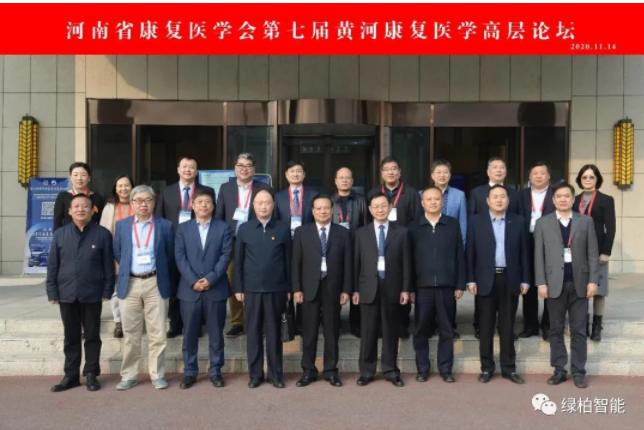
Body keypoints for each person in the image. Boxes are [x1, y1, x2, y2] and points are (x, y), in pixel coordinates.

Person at [46, 193, 115, 392]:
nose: (80, 209)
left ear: (92, 210)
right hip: (67, 293)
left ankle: (91, 373)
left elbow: (108, 266)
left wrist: (107, 289)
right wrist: (52, 291)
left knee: (92, 336)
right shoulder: (60, 234)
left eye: (85, 206)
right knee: (71, 337)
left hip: (92, 293)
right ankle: (71, 375)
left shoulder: (102, 234)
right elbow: (53, 265)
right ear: (69, 211)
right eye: (76, 206)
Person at [534, 182, 600, 389]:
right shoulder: (543, 223)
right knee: (556, 329)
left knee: (579, 330)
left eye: (567, 196)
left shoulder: (586, 221)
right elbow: (538, 256)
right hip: (554, 284)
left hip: (580, 283)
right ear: (553, 200)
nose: (563, 199)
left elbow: (593, 254)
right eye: (559, 196)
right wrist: (541, 282)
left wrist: (593, 281)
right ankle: (559, 370)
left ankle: (579, 371)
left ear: (573, 200)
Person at [113, 185, 176, 391]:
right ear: (131, 203)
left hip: (155, 282)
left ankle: (157, 374)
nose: (143, 204)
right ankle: (129, 375)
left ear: (154, 202)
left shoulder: (165, 226)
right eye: (138, 200)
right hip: (130, 283)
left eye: (147, 200)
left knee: (157, 333)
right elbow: (118, 252)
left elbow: (169, 254)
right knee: (131, 333)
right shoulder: (122, 226)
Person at [466, 185, 530, 385]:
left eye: (503, 196)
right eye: (495, 197)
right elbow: (470, 252)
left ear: (508, 200)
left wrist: (525, 279)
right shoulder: (476, 221)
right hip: (485, 279)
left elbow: (525, 253)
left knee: (507, 326)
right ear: (487, 201)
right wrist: (470, 279)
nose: (499, 200)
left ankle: (509, 368)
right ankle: (486, 368)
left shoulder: (518, 221)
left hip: (510, 279)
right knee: (485, 327)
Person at [175, 187, 233, 389]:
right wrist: (193, 281)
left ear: (213, 205)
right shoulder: (183, 229)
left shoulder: (223, 228)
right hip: (189, 290)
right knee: (189, 334)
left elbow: (225, 256)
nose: (204, 205)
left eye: (208, 202)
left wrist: (210, 279)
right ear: (192, 205)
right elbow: (180, 257)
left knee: (216, 334)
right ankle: (190, 371)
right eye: (199, 202)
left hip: (215, 289)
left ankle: (215, 371)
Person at [292, 195, 352, 388]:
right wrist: (296, 289)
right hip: (309, 288)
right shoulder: (302, 232)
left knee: (331, 332)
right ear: (312, 211)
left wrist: (346, 289)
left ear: (332, 210)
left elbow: (348, 263)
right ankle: (308, 371)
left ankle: (331, 371)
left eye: (326, 208)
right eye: (318, 208)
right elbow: (296, 262)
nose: (323, 211)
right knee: (309, 333)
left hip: (333, 287)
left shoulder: (343, 233)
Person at [235, 189, 292, 389]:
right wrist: (239, 288)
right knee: (253, 332)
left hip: (276, 289)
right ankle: (255, 374)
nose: (263, 206)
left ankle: (275, 374)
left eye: (267, 202)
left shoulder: (282, 228)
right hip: (251, 289)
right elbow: (238, 261)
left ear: (273, 205)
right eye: (259, 203)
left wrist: (289, 287)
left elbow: (288, 260)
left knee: (274, 333)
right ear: (253, 206)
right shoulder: (244, 229)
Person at [354, 192, 412, 388]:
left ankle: (391, 370)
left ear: (390, 207)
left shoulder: (402, 232)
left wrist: (405, 289)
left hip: (393, 286)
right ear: (370, 210)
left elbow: (407, 264)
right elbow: (356, 263)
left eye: (383, 206)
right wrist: (355, 290)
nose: (380, 210)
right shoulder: (361, 233)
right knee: (368, 332)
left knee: (390, 331)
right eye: (376, 206)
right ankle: (366, 371)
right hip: (367, 287)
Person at [408, 187, 465, 383]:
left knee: (447, 329)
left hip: (446, 286)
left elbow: (459, 255)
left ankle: (445, 369)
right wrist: (410, 287)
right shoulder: (414, 227)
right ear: (422, 203)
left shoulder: (452, 224)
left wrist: (460, 284)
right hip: (422, 287)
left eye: (436, 199)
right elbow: (409, 260)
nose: (433, 202)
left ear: (443, 202)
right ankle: (422, 368)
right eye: (429, 199)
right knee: (421, 330)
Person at [156, 156, 214, 339]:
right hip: (173, 246)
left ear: (197, 171)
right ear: (178, 170)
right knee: (174, 285)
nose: (188, 170)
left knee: (198, 284)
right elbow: (160, 219)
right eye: (184, 167)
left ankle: (197, 324)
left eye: (191, 167)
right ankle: (175, 324)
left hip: (199, 245)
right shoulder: (166, 191)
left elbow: (213, 216)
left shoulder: (206, 191)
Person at [215, 153, 271, 338]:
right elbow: (220, 215)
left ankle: (260, 320)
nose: (244, 169)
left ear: (254, 169)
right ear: (235, 168)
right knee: (233, 279)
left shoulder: (264, 188)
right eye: (240, 165)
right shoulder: (226, 188)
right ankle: (238, 322)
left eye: (248, 165)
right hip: (232, 240)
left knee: (259, 279)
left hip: (257, 240)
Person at [467, 157, 520, 340]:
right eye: (494, 167)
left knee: (507, 299)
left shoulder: (513, 193)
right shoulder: (477, 193)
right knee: (483, 295)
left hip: (506, 249)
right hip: (483, 250)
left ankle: (506, 329)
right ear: (488, 172)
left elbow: (517, 219)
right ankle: (480, 326)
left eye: (502, 167)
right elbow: (471, 219)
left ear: (506, 172)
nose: (498, 170)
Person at [367, 156, 419, 339]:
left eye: (394, 168)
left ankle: (402, 324)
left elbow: (416, 221)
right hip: (379, 243)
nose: (390, 172)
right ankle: (380, 326)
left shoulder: (410, 193)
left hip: (402, 242)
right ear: (381, 173)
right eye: (387, 169)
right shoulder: (374, 193)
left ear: (399, 172)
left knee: (401, 282)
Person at [274, 160, 319, 333]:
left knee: (305, 280)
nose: (295, 174)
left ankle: (303, 321)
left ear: (304, 174)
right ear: (286, 175)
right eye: (291, 171)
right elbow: (276, 222)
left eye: (298, 171)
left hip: (307, 244)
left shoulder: (314, 195)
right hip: (285, 244)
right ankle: (288, 321)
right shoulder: (278, 197)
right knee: (286, 280)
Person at [573, 164, 616, 342]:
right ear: (580, 180)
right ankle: (583, 324)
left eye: (592, 177)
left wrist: (606, 252)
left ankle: (597, 326)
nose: (588, 180)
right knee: (581, 288)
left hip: (598, 251)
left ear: (597, 179)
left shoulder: (606, 199)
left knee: (599, 289)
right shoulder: (574, 199)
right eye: (584, 177)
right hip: (578, 251)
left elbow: (611, 228)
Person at [425, 159, 467, 339]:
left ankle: (450, 325)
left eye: (445, 172)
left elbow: (463, 223)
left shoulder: (459, 195)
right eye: (438, 172)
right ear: (432, 175)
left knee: (449, 290)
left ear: (450, 175)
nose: (442, 175)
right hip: (430, 248)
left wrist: (460, 249)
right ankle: (430, 324)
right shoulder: (423, 194)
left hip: (451, 248)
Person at [518, 162, 556, 340]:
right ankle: (530, 325)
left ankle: (548, 325)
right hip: (527, 241)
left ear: (549, 176)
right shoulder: (521, 195)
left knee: (551, 282)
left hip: (551, 243)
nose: (539, 176)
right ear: (529, 177)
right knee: (529, 283)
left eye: (542, 173)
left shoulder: (556, 194)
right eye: (535, 173)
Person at [331, 167, 367, 338]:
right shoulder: (329, 201)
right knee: (336, 284)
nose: (344, 180)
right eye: (341, 178)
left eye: (348, 178)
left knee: (356, 285)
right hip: (335, 249)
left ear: (352, 181)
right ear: (335, 181)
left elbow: (366, 226)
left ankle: (356, 323)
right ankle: (334, 322)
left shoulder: (361, 200)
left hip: (356, 248)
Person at [99, 175, 134, 339]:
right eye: (120, 186)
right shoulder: (110, 207)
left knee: (134, 289)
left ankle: (132, 321)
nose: (123, 189)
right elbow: (103, 230)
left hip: (136, 254)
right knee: (117, 289)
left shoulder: (138, 203)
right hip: (115, 254)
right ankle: (118, 322)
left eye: (127, 185)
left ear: (132, 187)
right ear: (115, 188)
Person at [53, 162, 105, 231]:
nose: (79, 178)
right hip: (68, 235)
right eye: (75, 175)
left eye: (83, 175)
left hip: (92, 235)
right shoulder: (63, 196)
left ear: (89, 178)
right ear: (70, 178)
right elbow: (57, 222)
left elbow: (101, 221)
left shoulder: (97, 197)